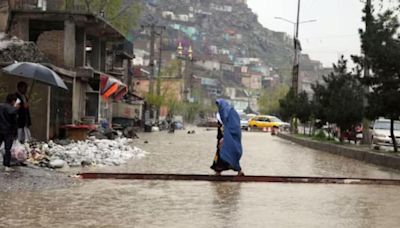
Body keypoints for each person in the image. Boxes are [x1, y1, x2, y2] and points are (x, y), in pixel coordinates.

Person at [210, 99, 244, 176]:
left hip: (229, 139)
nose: (218, 107)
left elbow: (234, 128)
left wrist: (225, 137)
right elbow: (220, 127)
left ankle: (239, 171)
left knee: (230, 154)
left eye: (219, 105)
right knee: (220, 156)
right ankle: (218, 171)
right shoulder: (221, 114)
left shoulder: (231, 113)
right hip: (221, 138)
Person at [0, 94, 18, 172]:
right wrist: (15, 133)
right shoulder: (12, 110)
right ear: (13, 101)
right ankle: (6, 165)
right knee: (8, 149)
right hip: (8, 131)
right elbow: (14, 123)